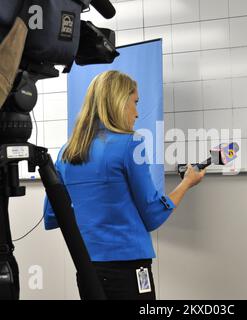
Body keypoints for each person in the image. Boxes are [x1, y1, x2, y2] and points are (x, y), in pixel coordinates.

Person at [43, 70, 205, 300]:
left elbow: (52, 215)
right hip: (128, 269)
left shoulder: (66, 153)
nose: (137, 113)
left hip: (87, 268)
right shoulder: (131, 143)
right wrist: (187, 183)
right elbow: (154, 215)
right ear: (119, 103)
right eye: (135, 103)